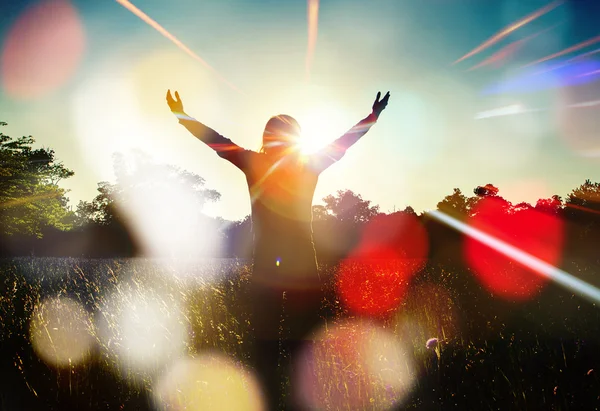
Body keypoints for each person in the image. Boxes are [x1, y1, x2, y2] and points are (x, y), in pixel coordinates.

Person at [166, 89, 390, 409]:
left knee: (266, 343)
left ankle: (270, 396)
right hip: (300, 265)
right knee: (304, 342)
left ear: (267, 137)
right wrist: (372, 116)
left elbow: (215, 141)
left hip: (270, 265)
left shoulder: (255, 162)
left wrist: (182, 116)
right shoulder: (309, 164)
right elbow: (344, 143)